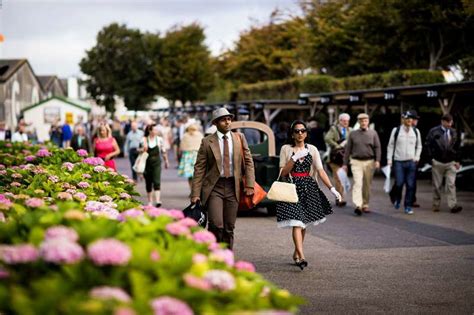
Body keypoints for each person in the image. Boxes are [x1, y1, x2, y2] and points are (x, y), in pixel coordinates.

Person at [277, 120, 341, 270]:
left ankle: (296, 253)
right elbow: (282, 173)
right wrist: (294, 158)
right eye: (297, 131)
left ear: (306, 133)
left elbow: (320, 170)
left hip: (308, 188)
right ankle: (302, 257)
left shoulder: (312, 149)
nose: (300, 133)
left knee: (303, 224)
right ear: (292, 134)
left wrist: (332, 189)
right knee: (297, 223)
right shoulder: (286, 149)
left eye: (303, 131)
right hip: (292, 189)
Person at [191, 108, 255, 250]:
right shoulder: (207, 142)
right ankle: (213, 252)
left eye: (229, 119)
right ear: (215, 123)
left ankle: (226, 257)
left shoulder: (239, 138)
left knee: (229, 227)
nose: (227, 122)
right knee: (216, 224)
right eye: (223, 119)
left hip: (233, 186)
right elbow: (199, 168)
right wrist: (195, 194)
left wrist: (250, 184)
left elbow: (249, 161)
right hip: (215, 187)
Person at [343, 113, 381, 216]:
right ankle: (358, 205)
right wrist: (345, 163)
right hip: (356, 161)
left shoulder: (373, 133)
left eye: (365, 121)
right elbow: (348, 149)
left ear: (368, 122)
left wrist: (377, 160)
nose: (363, 123)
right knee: (357, 183)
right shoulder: (353, 134)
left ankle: (365, 204)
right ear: (358, 122)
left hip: (369, 161)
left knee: (367, 185)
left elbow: (377, 147)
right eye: (361, 121)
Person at [425, 114, 462, 213]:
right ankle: (436, 205)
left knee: (451, 184)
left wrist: (458, 161)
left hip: (451, 162)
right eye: (448, 122)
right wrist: (431, 160)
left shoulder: (454, 132)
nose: (450, 124)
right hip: (437, 162)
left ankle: (453, 206)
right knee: (437, 186)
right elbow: (427, 145)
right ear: (443, 121)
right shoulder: (433, 131)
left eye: (451, 122)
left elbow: (458, 147)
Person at [386, 111, 422, 215]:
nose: (410, 120)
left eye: (411, 118)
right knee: (399, 183)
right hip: (399, 162)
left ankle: (408, 206)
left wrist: (417, 157)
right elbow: (390, 145)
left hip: (411, 162)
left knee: (410, 185)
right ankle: (397, 198)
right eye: (407, 118)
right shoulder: (396, 130)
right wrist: (389, 159)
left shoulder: (416, 131)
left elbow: (419, 146)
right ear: (403, 119)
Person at [325, 113, 352, 207]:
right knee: (338, 179)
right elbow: (327, 138)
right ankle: (340, 198)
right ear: (340, 121)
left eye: (347, 121)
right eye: (344, 121)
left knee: (343, 178)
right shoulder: (334, 129)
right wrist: (337, 146)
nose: (346, 123)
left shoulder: (351, 130)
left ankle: (340, 197)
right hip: (335, 158)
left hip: (345, 158)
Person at [142, 124, 169, 207]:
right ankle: (150, 201)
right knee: (148, 182)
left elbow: (163, 151)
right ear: (150, 131)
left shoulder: (159, 140)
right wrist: (142, 149)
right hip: (146, 163)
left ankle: (157, 200)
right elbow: (138, 150)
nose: (156, 131)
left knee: (156, 181)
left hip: (157, 163)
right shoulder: (144, 139)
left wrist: (166, 161)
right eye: (154, 130)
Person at [178, 124, 204, 189]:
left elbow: (181, 147)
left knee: (189, 175)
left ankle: (191, 190)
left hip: (187, 156)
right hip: (197, 155)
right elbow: (203, 146)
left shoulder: (185, 135)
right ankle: (197, 189)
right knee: (198, 174)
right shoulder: (200, 135)